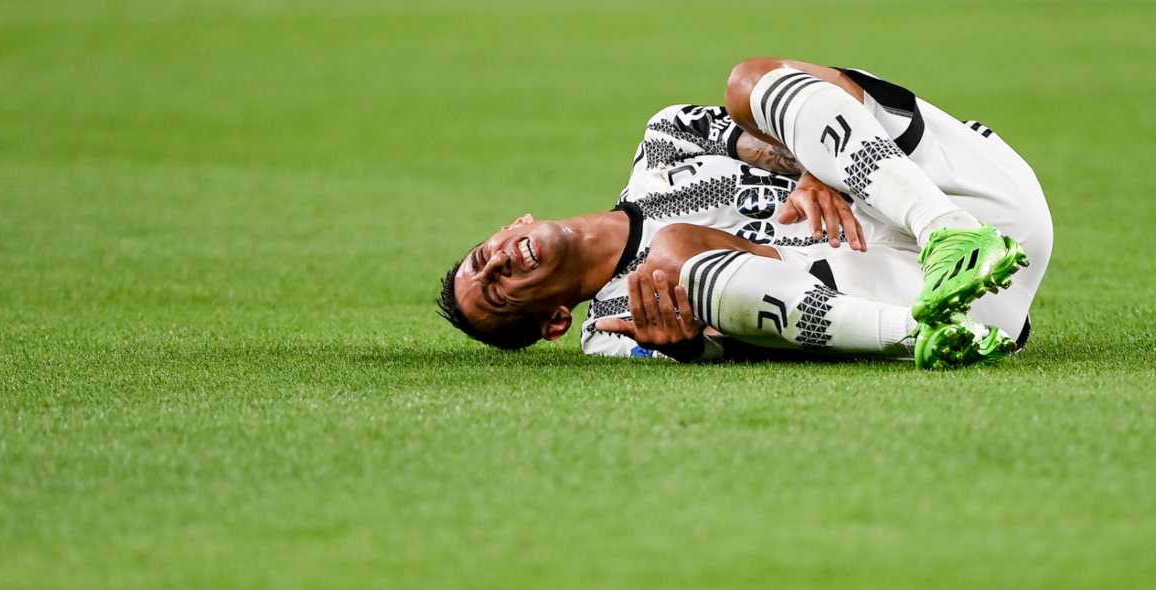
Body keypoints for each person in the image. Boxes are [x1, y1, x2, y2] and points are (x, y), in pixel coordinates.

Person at [437, 59, 1051, 368]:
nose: (497, 266)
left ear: (514, 225)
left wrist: (816, 168)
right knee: (672, 254)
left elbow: (826, 95)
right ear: (554, 322)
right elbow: (745, 350)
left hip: (975, 205)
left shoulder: (668, 138)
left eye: (482, 258)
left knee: (750, 80)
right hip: (919, 300)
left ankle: (948, 234)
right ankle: (923, 334)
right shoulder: (614, 333)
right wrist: (695, 346)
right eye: (497, 292)